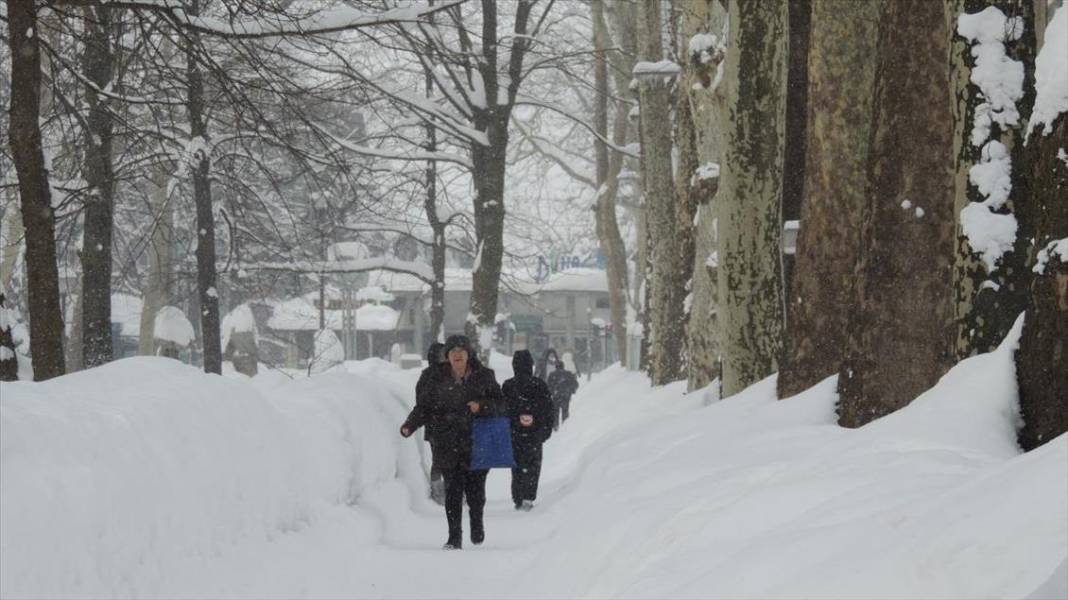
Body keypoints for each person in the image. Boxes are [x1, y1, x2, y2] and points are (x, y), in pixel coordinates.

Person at [400, 335, 504, 550]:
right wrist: (410, 425)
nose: (457, 354)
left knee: (476, 490)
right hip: (446, 440)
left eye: (461, 350)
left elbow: (500, 404)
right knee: (453, 490)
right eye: (453, 351)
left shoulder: (484, 376)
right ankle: (454, 537)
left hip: (477, 439)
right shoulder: (434, 378)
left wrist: (481, 406)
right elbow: (424, 407)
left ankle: (477, 521)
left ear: (468, 354)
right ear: (447, 356)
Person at [501, 350, 554, 511]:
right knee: (533, 465)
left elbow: (502, 410)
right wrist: (545, 431)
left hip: (514, 434)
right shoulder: (539, 385)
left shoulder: (508, 385)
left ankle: (517, 496)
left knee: (516, 466)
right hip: (534, 434)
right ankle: (528, 497)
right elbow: (548, 410)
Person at [415, 342, 447, 504]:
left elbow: (420, 401)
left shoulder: (425, 375)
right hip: (450, 425)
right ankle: (448, 490)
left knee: (438, 459)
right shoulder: (450, 373)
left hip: (434, 426)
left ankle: (439, 491)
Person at [547, 358, 579, 430]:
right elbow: (575, 384)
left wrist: (552, 392)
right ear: (563, 366)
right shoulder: (568, 374)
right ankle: (565, 427)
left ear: (556, 367)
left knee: (555, 412)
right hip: (566, 396)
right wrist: (571, 390)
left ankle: (555, 427)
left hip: (556, 396)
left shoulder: (552, 375)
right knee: (565, 411)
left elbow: (548, 386)